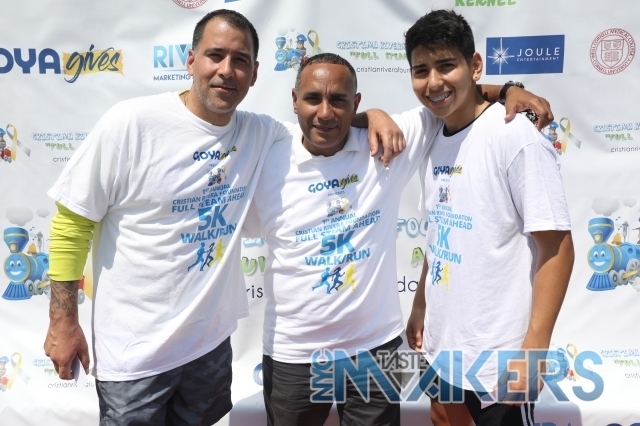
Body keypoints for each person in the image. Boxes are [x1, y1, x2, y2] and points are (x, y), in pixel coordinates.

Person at [42, 10, 400, 425]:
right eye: (215, 55)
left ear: (255, 73)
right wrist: (62, 321)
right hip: (135, 356)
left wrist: (372, 114)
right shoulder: (132, 123)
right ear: (191, 60)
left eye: (240, 60)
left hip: (208, 350)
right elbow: (72, 223)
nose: (227, 70)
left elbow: (323, 120)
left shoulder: (261, 133)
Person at [243, 52, 555, 426]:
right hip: (293, 354)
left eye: (339, 100)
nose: (325, 112)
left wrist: (507, 91)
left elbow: (453, 98)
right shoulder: (268, 157)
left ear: (355, 103)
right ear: (294, 100)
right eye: (312, 98)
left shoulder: (386, 143)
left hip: (374, 350)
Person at [404, 10, 574, 426]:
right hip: (444, 344)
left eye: (446, 65)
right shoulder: (433, 132)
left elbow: (557, 248)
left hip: (499, 357)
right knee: (442, 418)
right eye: (421, 70)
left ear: (475, 65)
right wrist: (421, 303)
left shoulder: (514, 134)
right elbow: (442, 230)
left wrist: (534, 349)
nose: (433, 82)